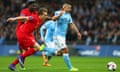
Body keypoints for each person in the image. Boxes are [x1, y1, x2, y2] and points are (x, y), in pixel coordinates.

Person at [53, 3, 81, 71]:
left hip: (63, 36)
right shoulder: (57, 12)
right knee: (65, 50)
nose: (70, 9)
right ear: (64, 7)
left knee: (59, 53)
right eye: (69, 8)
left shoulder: (68, 15)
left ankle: (45, 50)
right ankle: (70, 68)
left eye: (70, 8)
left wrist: (77, 32)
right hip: (57, 35)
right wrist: (60, 15)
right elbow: (53, 19)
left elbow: (71, 24)